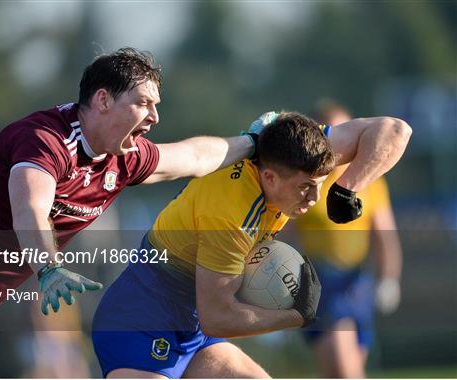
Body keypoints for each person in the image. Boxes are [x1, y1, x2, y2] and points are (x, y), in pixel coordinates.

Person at [0, 47, 263, 378]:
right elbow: (30, 209)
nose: (155, 117)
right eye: (143, 103)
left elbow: (194, 157)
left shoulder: (124, 157)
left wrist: (252, 142)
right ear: (103, 100)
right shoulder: (46, 139)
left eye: (156, 106)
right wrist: (48, 267)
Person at [92, 111, 411, 378]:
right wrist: (294, 316)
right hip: (140, 324)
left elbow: (394, 130)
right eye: (304, 188)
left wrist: (346, 188)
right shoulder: (232, 217)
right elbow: (217, 317)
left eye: (318, 185)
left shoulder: (295, 150)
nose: (313, 198)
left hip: (193, 327)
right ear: (269, 178)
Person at [295, 100, 403, 378]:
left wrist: (388, 278)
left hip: (355, 282)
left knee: (347, 371)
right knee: (342, 371)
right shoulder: (307, 179)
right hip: (320, 281)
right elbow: (284, 232)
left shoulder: (369, 178)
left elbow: (384, 235)